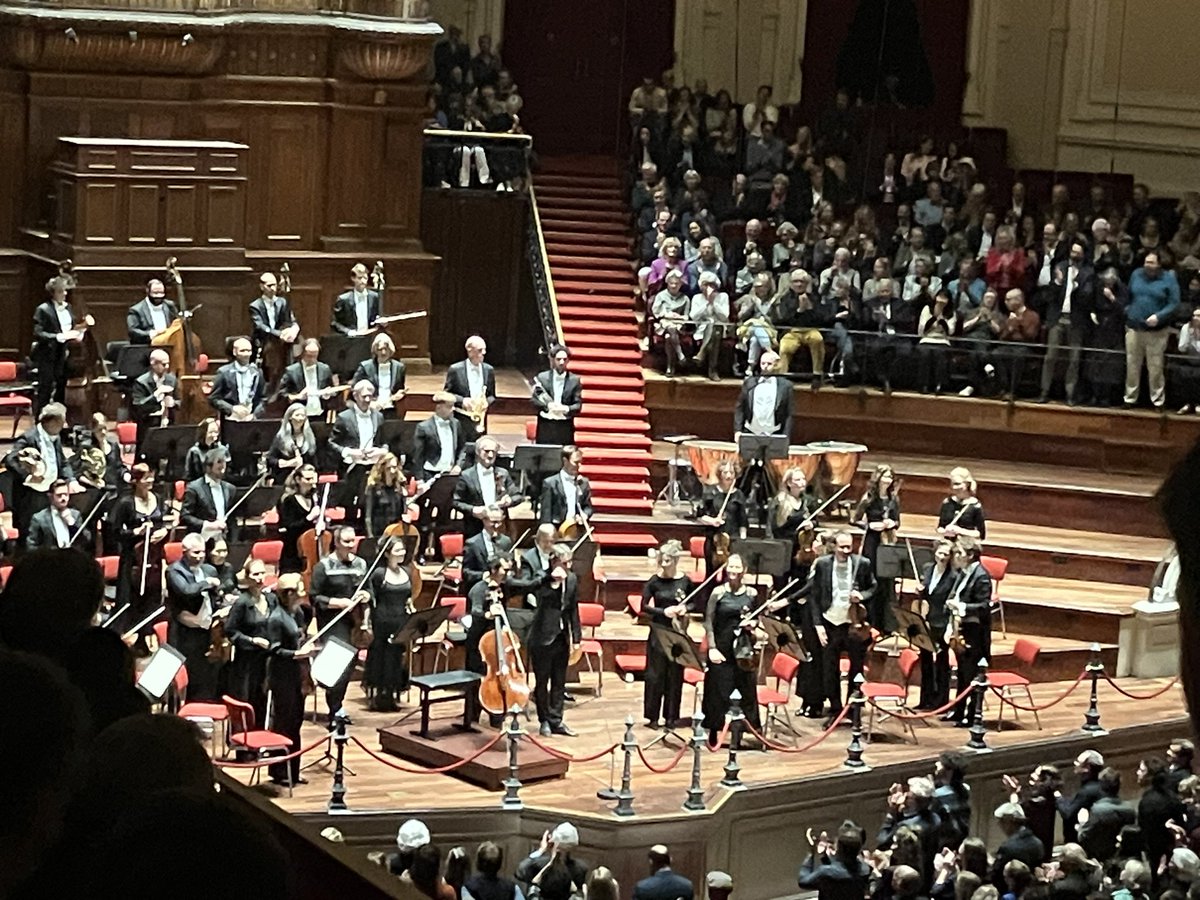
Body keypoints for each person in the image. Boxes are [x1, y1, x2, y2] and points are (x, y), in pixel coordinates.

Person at [799, 530, 877, 721]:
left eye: (849, 547)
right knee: (829, 668)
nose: (845, 550)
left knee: (856, 667)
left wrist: (862, 596)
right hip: (831, 622)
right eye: (842, 547)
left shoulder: (863, 564)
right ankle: (835, 708)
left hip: (854, 624)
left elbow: (874, 587)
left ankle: (853, 706)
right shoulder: (823, 564)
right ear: (833, 546)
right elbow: (815, 597)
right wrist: (818, 625)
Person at [310, 525, 370, 723]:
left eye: (353, 541)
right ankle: (335, 708)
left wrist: (365, 594)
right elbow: (315, 598)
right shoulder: (323, 566)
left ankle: (337, 705)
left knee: (351, 662)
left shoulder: (361, 564)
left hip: (355, 620)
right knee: (339, 663)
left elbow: (369, 590)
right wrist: (339, 603)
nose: (351, 545)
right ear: (336, 543)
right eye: (346, 542)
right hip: (332, 621)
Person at [702, 553, 762, 743]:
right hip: (722, 646)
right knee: (717, 688)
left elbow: (757, 619)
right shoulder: (718, 593)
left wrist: (752, 626)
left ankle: (744, 730)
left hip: (743, 648)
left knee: (746, 687)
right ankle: (714, 729)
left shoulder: (751, 594)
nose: (733, 571)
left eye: (737, 567)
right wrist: (712, 648)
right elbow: (709, 622)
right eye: (730, 567)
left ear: (744, 570)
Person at [110, 463, 171, 650]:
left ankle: (147, 633)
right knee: (131, 597)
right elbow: (114, 532)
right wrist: (136, 532)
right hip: (132, 559)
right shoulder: (125, 503)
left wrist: (164, 533)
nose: (150, 481)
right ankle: (127, 638)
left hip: (153, 558)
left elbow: (164, 524)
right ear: (136, 481)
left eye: (152, 477)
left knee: (151, 595)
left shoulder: (158, 499)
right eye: (146, 478)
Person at [528, 544, 581, 737]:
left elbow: (573, 609)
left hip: (561, 638)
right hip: (542, 638)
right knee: (542, 682)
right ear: (554, 561)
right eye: (565, 562)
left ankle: (557, 720)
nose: (569, 566)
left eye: (570, 562)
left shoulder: (573, 579)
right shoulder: (541, 578)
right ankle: (544, 721)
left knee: (559, 682)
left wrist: (576, 637)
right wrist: (553, 582)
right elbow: (537, 597)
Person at [265, 573, 312, 786]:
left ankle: (294, 769)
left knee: (296, 723)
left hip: (297, 675)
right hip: (282, 676)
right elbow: (274, 650)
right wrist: (296, 655)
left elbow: (300, 635)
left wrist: (306, 642)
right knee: (284, 723)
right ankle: (279, 771)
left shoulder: (298, 613)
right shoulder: (276, 618)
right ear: (289, 593)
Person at [5, 401, 75, 542]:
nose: (65, 425)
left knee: (48, 531)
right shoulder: (29, 437)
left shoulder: (55, 438)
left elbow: (63, 462)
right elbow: (10, 459)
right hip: (31, 496)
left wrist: (71, 480)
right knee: (31, 533)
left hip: (50, 492)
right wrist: (29, 476)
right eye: (62, 422)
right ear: (52, 422)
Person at [165, 532, 222, 700]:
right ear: (184, 551)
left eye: (203, 552)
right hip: (185, 632)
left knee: (205, 673)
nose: (200, 556)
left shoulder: (209, 569)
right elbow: (186, 591)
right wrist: (207, 583)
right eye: (195, 552)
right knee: (188, 672)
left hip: (205, 630)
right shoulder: (174, 571)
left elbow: (219, 591)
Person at [640, 540, 690, 728]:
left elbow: (695, 602)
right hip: (658, 631)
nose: (663, 564)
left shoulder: (685, 581)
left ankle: (671, 717)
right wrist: (663, 612)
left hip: (676, 633)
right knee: (655, 674)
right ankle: (653, 717)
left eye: (667, 560)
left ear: (676, 561)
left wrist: (685, 608)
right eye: (662, 560)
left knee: (675, 675)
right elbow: (643, 606)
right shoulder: (654, 581)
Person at [1038, 240, 1094, 404]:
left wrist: (1075, 285)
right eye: (1073, 252)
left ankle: (1070, 393)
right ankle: (1044, 391)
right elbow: (1049, 296)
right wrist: (1058, 282)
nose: (1075, 255)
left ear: (1083, 254)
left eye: (1078, 252)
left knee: (1074, 359)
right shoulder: (1060, 268)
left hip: (1076, 320)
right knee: (1050, 357)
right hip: (1057, 318)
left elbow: (1088, 296)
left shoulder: (1088, 272)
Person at [945, 539, 993, 727]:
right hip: (962, 629)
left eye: (959, 553)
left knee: (971, 674)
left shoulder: (981, 576)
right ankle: (958, 711)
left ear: (970, 555)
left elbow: (983, 606)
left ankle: (972, 715)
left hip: (975, 633)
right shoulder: (964, 573)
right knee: (963, 674)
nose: (956, 557)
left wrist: (962, 606)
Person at [364, 538, 415, 712]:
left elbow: (408, 597)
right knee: (382, 657)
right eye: (397, 550)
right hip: (383, 621)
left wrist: (411, 607)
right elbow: (372, 600)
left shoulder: (407, 572)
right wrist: (367, 623)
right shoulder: (379, 573)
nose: (402, 553)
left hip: (400, 620)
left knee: (396, 658)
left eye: (403, 550)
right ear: (387, 553)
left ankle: (393, 693)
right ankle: (380, 695)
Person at [1124, 251, 1180, 410]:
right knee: (1132, 365)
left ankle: (1158, 401)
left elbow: (1174, 303)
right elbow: (1129, 295)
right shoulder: (1136, 274)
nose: (1148, 266)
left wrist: (1159, 316)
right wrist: (1128, 311)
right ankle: (1129, 398)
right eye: (1146, 262)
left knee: (1155, 367)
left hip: (1157, 331)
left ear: (1159, 264)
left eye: (1152, 263)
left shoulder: (1168, 278)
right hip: (1134, 328)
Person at [329, 380, 387, 524]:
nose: (367, 400)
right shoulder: (344, 417)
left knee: (371, 501)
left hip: (373, 465)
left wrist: (381, 451)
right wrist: (349, 452)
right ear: (355, 396)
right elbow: (331, 443)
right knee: (351, 502)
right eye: (364, 396)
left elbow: (384, 441)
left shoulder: (378, 416)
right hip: (352, 466)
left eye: (370, 396)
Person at [224, 557, 274, 725]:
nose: (259, 578)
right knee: (247, 700)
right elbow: (231, 631)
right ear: (247, 577)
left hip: (266, 660)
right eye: (255, 574)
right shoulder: (242, 603)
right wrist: (253, 641)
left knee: (263, 700)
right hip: (246, 662)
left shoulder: (271, 599)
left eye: (262, 573)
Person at [854, 464, 900, 628]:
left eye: (890, 477)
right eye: (885, 476)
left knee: (886, 581)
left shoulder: (894, 499)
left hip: (887, 542)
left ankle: (886, 623)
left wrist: (891, 523)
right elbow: (855, 519)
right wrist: (870, 526)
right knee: (872, 577)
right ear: (878, 478)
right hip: (872, 542)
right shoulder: (869, 498)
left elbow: (898, 522)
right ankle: (870, 620)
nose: (887, 480)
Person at [451, 435, 522, 539]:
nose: (490, 455)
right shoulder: (466, 475)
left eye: (494, 452)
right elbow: (455, 502)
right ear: (478, 452)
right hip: (475, 528)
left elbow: (518, 496)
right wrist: (473, 510)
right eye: (487, 451)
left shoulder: (503, 473)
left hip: (500, 526)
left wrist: (509, 500)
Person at [32, 274, 87, 411]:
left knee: (61, 388)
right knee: (46, 388)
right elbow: (38, 333)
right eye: (61, 291)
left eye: (65, 290)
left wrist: (79, 333)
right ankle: (41, 419)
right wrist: (58, 337)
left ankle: (59, 419)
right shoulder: (43, 309)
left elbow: (71, 326)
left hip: (64, 354)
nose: (65, 293)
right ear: (53, 293)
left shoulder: (68, 308)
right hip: (48, 355)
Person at [913, 540, 956, 711]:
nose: (942, 557)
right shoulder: (928, 569)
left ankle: (941, 701)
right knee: (925, 660)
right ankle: (926, 699)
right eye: (940, 553)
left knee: (941, 662)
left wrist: (949, 626)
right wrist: (920, 589)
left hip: (942, 621)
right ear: (935, 552)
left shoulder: (953, 576)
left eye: (946, 554)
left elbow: (950, 600)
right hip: (926, 619)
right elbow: (926, 591)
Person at [878, 776, 943, 887]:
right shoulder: (936, 819)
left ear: (918, 802)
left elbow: (882, 840)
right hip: (927, 873)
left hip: (904, 877)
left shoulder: (906, 827)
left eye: (909, 796)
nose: (905, 796)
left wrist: (891, 812)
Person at [797, 821, 872, 900]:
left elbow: (803, 881)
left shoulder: (825, 872)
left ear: (840, 848)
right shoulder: (865, 869)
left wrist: (811, 852)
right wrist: (823, 856)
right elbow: (840, 872)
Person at [697, 461, 747, 574]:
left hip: (732, 539)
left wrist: (743, 540)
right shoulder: (710, 491)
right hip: (713, 539)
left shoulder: (739, 495)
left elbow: (743, 520)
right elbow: (700, 515)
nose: (728, 475)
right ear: (720, 474)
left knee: (729, 573)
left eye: (731, 473)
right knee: (710, 573)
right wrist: (712, 521)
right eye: (725, 472)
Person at [248, 269, 299, 380]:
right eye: (269, 285)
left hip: (282, 341)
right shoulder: (255, 306)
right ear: (262, 287)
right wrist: (279, 334)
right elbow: (260, 326)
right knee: (272, 350)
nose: (273, 288)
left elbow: (290, 320)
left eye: (275, 285)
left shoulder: (282, 302)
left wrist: (292, 330)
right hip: (264, 341)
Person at [444, 334, 496, 443]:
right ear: (470, 351)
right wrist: (463, 400)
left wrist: (486, 402)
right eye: (480, 350)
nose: (484, 353)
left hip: (480, 419)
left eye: (485, 350)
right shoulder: (455, 369)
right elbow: (447, 394)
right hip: (461, 419)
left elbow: (492, 395)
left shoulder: (489, 370)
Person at [1078, 767, 1137, 862]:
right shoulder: (1129, 809)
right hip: (1123, 857)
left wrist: (1082, 824)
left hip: (1100, 857)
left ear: (1101, 787)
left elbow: (1083, 837)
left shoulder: (1097, 810)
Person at [515, 823, 590, 894]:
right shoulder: (580, 869)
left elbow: (520, 871)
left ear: (551, 842)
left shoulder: (539, 865)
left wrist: (541, 850)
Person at [181, 447, 237, 541]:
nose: (223, 465)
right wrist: (208, 525)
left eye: (224, 462)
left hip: (225, 540)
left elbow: (233, 519)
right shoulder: (194, 488)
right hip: (202, 540)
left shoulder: (230, 489)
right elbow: (185, 516)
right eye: (219, 462)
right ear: (208, 467)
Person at [734, 349, 793, 437]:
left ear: (776, 365)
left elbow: (789, 414)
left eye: (769, 364)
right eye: (763, 363)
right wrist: (738, 430)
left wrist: (786, 435)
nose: (765, 366)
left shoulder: (785, 386)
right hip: (750, 431)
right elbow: (740, 408)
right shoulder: (750, 383)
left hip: (775, 433)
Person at [532, 344, 582, 446]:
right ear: (553, 360)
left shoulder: (574, 380)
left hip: (564, 426)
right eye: (558, 359)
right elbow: (534, 401)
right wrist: (548, 406)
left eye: (564, 359)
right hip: (546, 424)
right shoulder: (542, 377)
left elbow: (578, 406)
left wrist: (565, 408)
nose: (562, 362)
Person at [276, 464, 322, 574]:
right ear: (298, 479)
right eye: (308, 479)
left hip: (311, 550)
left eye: (313, 479)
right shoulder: (288, 501)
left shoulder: (316, 498)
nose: (312, 483)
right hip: (293, 551)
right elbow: (288, 527)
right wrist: (309, 517)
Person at [277, 338, 338, 420]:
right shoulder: (292, 371)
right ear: (303, 353)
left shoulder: (325, 369)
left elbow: (333, 391)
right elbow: (281, 396)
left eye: (315, 356)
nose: (312, 359)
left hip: (320, 414)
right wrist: (298, 396)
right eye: (309, 356)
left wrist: (328, 394)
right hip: (298, 416)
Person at [410, 391, 466, 481]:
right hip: (430, 473)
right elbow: (418, 456)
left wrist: (458, 465)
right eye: (449, 407)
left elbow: (462, 448)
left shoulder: (456, 424)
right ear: (439, 407)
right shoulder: (423, 427)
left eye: (453, 406)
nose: (453, 409)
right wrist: (419, 479)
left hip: (450, 473)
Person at [208, 336, 266, 420]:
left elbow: (263, 399)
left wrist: (254, 415)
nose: (246, 354)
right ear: (235, 352)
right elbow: (213, 398)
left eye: (248, 351)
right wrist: (232, 409)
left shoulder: (257, 373)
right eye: (242, 351)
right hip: (230, 419)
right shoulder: (224, 372)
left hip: (251, 419)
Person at [990, 803, 1044, 892]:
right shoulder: (1038, 843)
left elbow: (996, 877)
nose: (999, 825)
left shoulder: (1007, 847)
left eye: (1002, 821)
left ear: (1010, 821)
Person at [25, 479, 91, 552]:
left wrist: (72, 524)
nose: (63, 498)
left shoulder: (75, 515)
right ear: (51, 496)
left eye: (66, 494)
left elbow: (86, 539)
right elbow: (31, 546)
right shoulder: (39, 518)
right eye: (59, 495)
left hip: (72, 559)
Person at [539, 445, 592, 533]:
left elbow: (588, 507)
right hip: (557, 529)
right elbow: (546, 514)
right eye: (575, 462)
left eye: (580, 462)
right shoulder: (550, 483)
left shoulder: (583, 483)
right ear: (565, 461)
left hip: (577, 529)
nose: (579, 465)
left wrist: (585, 515)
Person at [353, 332, 407, 417]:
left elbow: (399, 388)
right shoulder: (365, 367)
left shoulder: (399, 367)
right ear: (375, 350)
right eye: (380, 349)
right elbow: (355, 388)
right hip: (371, 408)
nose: (383, 353)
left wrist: (398, 395)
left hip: (391, 408)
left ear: (391, 350)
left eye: (386, 349)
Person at [1057, 749, 1106, 843]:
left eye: (1078, 762)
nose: (1075, 764)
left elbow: (1068, 814)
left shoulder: (1087, 791)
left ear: (1087, 767)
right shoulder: (1102, 786)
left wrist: (1058, 797)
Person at [130, 348, 178, 441]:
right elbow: (138, 405)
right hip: (149, 425)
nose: (167, 367)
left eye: (168, 363)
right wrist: (156, 395)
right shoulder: (141, 382)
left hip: (168, 423)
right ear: (153, 364)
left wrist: (173, 403)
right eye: (164, 364)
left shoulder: (171, 379)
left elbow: (179, 400)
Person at [690, 271, 730, 381]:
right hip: (702, 330)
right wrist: (706, 303)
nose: (708, 287)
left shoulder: (723, 297)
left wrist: (714, 303)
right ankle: (712, 370)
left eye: (711, 284)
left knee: (715, 327)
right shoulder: (697, 298)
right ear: (700, 285)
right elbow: (694, 317)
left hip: (721, 328)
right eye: (705, 284)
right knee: (713, 330)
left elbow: (725, 317)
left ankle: (701, 353)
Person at [463, 509, 512, 595]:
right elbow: (466, 572)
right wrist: (483, 575)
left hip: (501, 590)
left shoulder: (506, 541)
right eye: (493, 522)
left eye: (499, 522)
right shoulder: (472, 544)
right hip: (480, 590)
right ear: (484, 520)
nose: (496, 526)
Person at [265, 402, 317, 483]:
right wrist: (288, 463)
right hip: (283, 478)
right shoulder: (280, 437)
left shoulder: (310, 437)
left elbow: (313, 460)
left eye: (303, 415)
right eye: (297, 415)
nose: (300, 418)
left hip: (303, 480)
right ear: (289, 417)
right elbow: (270, 459)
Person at [363, 451, 408, 539]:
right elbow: (368, 516)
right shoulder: (373, 488)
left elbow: (403, 514)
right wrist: (370, 536)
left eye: (394, 467)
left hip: (395, 532)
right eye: (388, 468)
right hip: (379, 533)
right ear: (382, 469)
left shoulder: (399, 488)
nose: (392, 471)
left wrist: (404, 497)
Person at [331, 262, 381, 335]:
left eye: (365, 278)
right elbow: (334, 323)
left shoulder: (374, 297)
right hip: (352, 340)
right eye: (360, 278)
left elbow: (377, 317)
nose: (363, 281)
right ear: (353, 278)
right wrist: (349, 332)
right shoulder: (343, 299)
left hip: (370, 337)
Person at [937, 467, 986, 542]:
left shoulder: (975, 506)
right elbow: (940, 528)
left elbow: (980, 534)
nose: (954, 487)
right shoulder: (947, 503)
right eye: (953, 484)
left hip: (967, 544)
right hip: (948, 543)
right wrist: (946, 531)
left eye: (958, 484)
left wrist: (960, 531)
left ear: (967, 484)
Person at [126, 277, 178, 344]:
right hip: (147, 346)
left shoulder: (170, 306)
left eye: (161, 293)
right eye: (155, 293)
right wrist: (153, 334)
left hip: (169, 343)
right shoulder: (136, 310)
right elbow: (132, 331)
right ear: (148, 291)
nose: (159, 296)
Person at [184, 417, 225, 483]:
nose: (214, 435)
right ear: (203, 433)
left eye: (216, 432)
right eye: (211, 432)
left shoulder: (222, 449)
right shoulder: (194, 451)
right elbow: (189, 476)